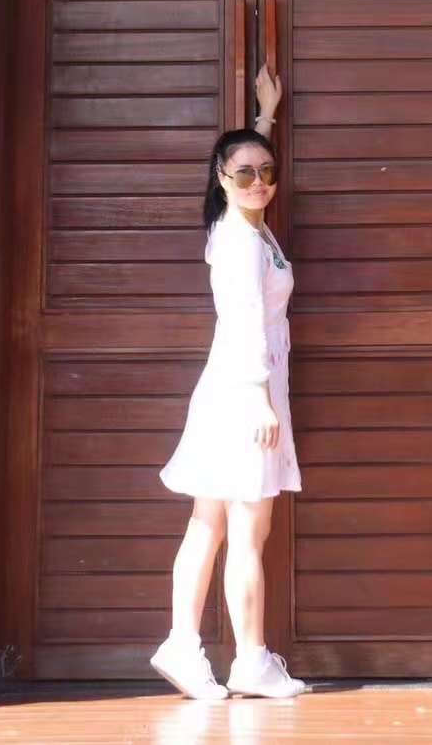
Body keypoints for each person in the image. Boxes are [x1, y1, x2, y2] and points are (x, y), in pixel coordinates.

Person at [149, 64, 308, 702]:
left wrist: (265, 113)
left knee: (210, 522)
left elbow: (247, 162)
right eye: (244, 174)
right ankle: (250, 660)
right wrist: (261, 402)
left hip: (232, 388)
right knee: (245, 531)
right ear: (221, 179)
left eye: (267, 172)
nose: (259, 182)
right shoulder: (241, 242)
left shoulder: (236, 227)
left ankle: (183, 646)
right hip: (245, 393)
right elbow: (244, 321)